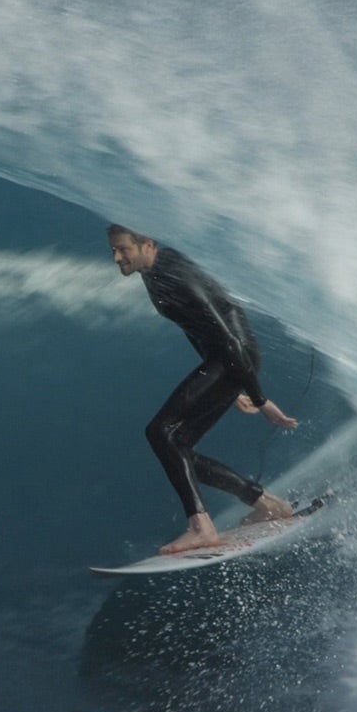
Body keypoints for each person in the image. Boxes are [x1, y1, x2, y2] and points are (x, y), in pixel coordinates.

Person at [107, 224, 300, 555]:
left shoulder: (175, 275)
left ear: (147, 245)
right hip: (225, 362)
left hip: (233, 356)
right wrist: (235, 387)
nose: (116, 257)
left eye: (123, 249)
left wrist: (260, 398)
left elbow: (227, 338)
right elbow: (194, 327)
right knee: (176, 447)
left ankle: (201, 527)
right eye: (113, 250)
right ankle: (269, 504)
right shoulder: (152, 271)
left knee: (160, 433)